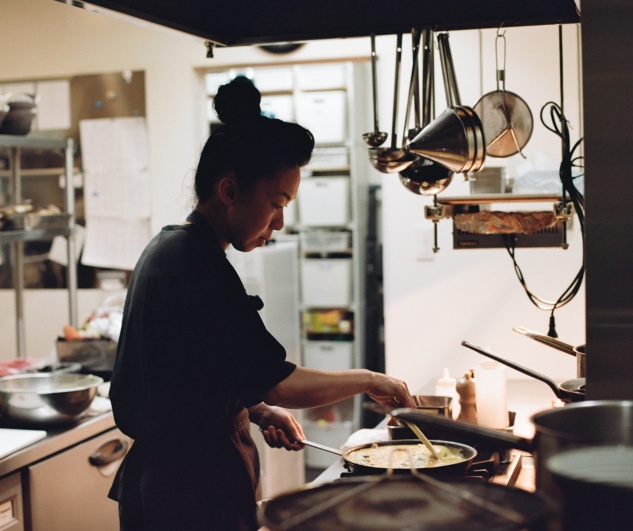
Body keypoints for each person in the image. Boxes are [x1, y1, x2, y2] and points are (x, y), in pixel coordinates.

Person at [108, 75, 414, 531]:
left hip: (169, 485)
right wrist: (372, 380)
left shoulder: (171, 248)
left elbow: (190, 372)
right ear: (230, 191)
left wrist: (253, 408)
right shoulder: (198, 266)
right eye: (276, 203)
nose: (281, 222)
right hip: (188, 495)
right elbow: (281, 384)